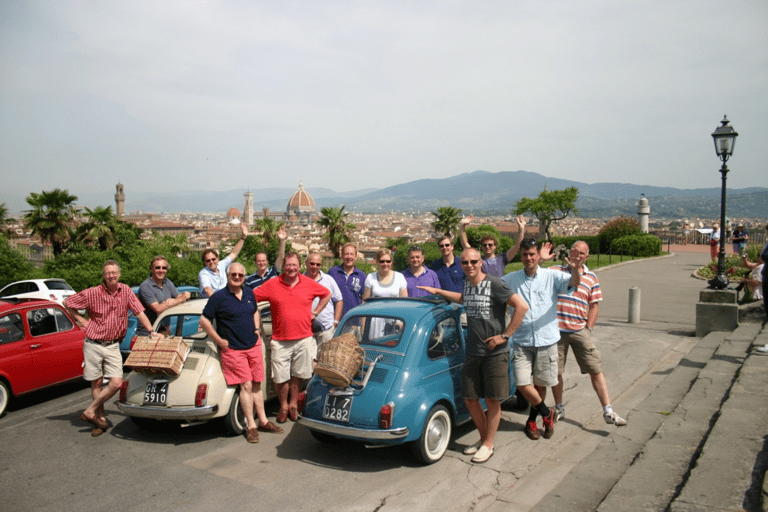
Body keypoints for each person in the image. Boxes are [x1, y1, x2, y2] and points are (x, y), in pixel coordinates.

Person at [418, 248, 528, 463]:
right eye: (465, 262)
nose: (469, 265)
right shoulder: (468, 284)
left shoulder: (495, 284)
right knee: (469, 398)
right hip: (473, 351)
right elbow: (463, 299)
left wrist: (504, 336)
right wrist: (438, 292)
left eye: (474, 262)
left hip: (495, 353)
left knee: (492, 399)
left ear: (480, 263)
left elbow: (521, 307)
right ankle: (484, 438)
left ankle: (488, 444)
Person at [64, 260, 154, 436]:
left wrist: (151, 331)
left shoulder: (126, 291)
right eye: (107, 273)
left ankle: (90, 410)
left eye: (114, 272)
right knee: (96, 382)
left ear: (119, 274)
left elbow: (139, 312)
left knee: (116, 383)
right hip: (93, 344)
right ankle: (100, 420)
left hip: (113, 345)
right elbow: (68, 302)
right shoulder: (92, 293)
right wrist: (81, 321)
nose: (111, 276)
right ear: (103, 275)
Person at [502, 238, 580, 441]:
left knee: (540, 384)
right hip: (522, 340)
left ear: (538, 256)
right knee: (521, 382)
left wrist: (576, 270)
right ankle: (548, 413)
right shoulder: (510, 279)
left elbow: (572, 283)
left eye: (532, 254)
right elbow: (492, 292)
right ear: (521, 256)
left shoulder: (551, 276)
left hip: (546, 340)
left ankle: (531, 421)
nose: (529, 258)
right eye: (525, 254)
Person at [199, 263, 284, 443]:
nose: (237, 277)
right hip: (233, 350)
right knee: (245, 386)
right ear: (228, 275)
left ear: (244, 276)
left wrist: (256, 329)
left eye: (240, 275)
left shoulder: (248, 293)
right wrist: (219, 340)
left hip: (252, 346)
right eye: (233, 274)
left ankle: (263, 421)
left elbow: (254, 311)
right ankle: (251, 425)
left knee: (256, 385)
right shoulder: (219, 297)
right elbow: (204, 320)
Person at [550, 241, 627, 426]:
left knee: (595, 369)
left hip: (579, 330)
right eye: (574, 250)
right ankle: (559, 407)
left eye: (581, 253)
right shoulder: (554, 271)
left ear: (586, 257)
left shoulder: (591, 277)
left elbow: (594, 305)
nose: (576, 254)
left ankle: (608, 411)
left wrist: (588, 328)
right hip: (556, 331)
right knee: (556, 372)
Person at [253, 251, 331, 423]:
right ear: (284, 266)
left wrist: (315, 312)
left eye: (294, 265)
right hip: (280, 340)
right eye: (288, 265)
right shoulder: (273, 284)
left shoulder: (308, 283)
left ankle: (293, 405)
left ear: (300, 266)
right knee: (280, 377)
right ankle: (283, 406)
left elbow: (327, 294)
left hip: (303, 338)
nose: (291, 268)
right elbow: (252, 298)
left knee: (298, 375)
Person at [136, 255, 191, 336]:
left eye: (164, 268)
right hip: (148, 333)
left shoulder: (167, 282)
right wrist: (178, 300)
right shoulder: (145, 286)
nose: (161, 270)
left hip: (164, 330)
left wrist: (174, 300)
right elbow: (157, 308)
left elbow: (181, 297)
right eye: (157, 267)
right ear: (151, 268)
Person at [304, 251, 343, 361]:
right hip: (306, 330)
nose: (314, 267)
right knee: (307, 362)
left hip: (326, 329)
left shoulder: (328, 280)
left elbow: (339, 300)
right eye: (312, 263)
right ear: (306, 263)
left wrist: (335, 322)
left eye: (318, 264)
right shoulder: (299, 279)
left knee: (325, 361)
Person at [459, 214, 526, 277]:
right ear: (482, 247)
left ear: (495, 246)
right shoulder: (479, 260)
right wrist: (462, 226)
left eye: (490, 245)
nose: (487, 247)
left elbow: (517, 246)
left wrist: (521, 229)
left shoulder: (502, 259)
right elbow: (465, 244)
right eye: (484, 245)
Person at [199, 222, 248, 297]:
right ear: (204, 262)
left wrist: (243, 237)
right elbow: (207, 289)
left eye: (213, 259)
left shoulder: (221, 265)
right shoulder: (204, 273)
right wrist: (218, 303)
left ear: (217, 259)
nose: (211, 262)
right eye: (208, 260)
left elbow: (234, 253)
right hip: (212, 302)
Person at [328, 243, 367, 318]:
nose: (349, 257)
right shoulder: (332, 273)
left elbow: (364, 301)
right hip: (334, 320)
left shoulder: (362, 276)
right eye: (346, 254)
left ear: (355, 257)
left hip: (354, 321)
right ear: (342, 256)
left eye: (352, 254)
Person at [244, 225, 287, 289]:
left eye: (263, 260)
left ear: (267, 261)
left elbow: (281, 257)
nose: (261, 263)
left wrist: (282, 240)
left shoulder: (273, 272)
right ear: (255, 263)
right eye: (259, 261)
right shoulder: (249, 280)